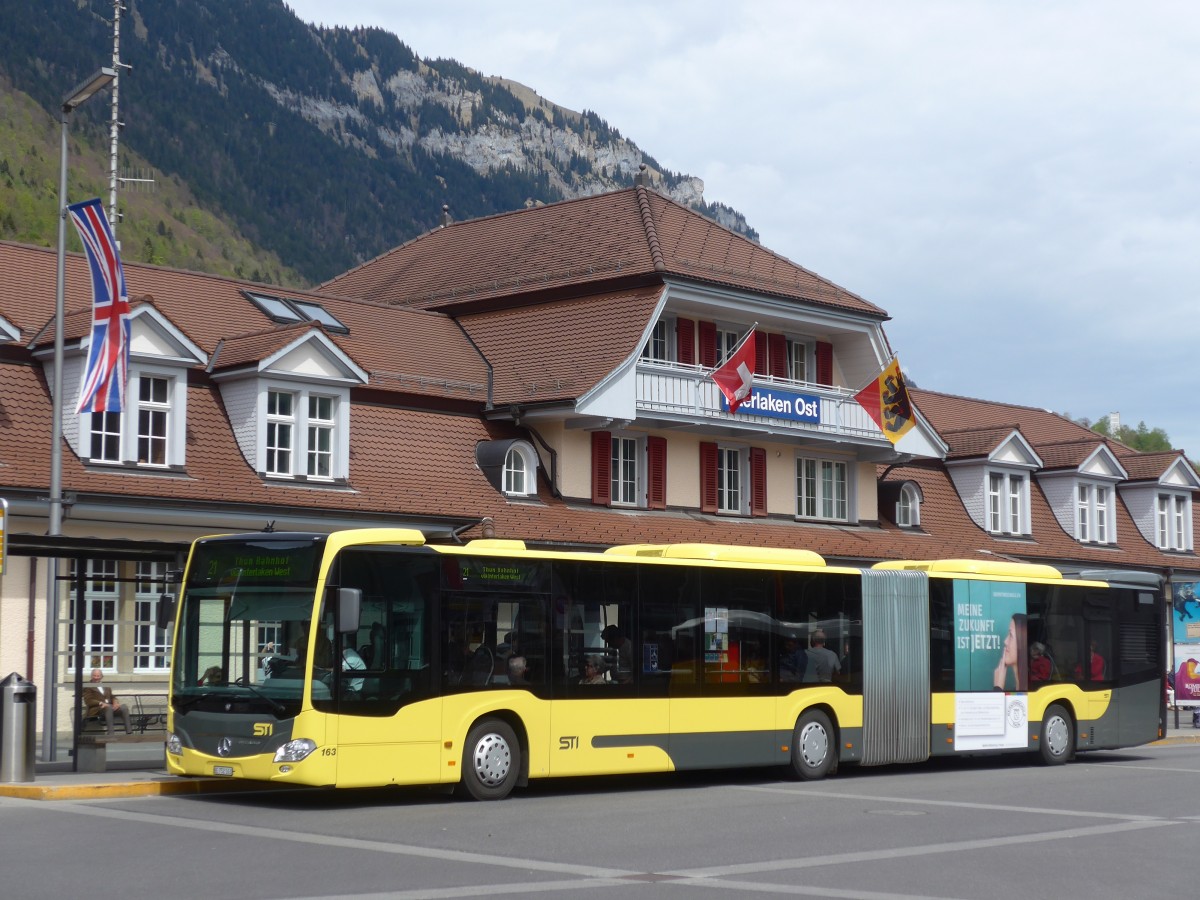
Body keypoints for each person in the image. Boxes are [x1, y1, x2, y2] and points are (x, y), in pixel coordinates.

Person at [82, 669, 131, 735]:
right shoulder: (87, 686)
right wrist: (101, 703)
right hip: (97, 709)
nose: (96, 678)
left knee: (124, 707)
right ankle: (111, 733)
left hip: (109, 707)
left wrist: (115, 702)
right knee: (109, 708)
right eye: (94, 676)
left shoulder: (106, 686)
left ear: (101, 676)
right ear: (91, 676)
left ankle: (129, 732)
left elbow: (112, 696)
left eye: (98, 676)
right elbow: (88, 700)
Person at [993, 613, 1028, 691]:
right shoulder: (1015, 691)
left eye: (1011, 635)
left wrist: (997, 687)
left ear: (1022, 643)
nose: (1005, 641)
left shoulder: (1032, 692)